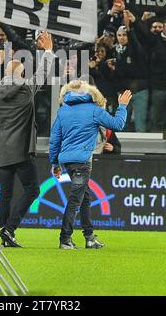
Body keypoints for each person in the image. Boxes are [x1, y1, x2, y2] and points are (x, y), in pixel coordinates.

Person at [0, 32, 54, 248]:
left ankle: (5, 233)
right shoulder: (26, 88)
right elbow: (43, 72)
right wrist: (47, 51)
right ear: (21, 75)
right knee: (32, 190)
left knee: (6, 194)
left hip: (2, 149)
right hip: (21, 149)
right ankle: (9, 229)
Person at [49, 80, 132, 250]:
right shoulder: (94, 110)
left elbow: (55, 138)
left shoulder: (63, 110)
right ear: (90, 93)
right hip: (82, 162)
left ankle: (89, 238)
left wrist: (55, 162)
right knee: (75, 200)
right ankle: (65, 239)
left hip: (67, 161)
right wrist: (122, 106)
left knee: (85, 198)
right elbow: (118, 124)